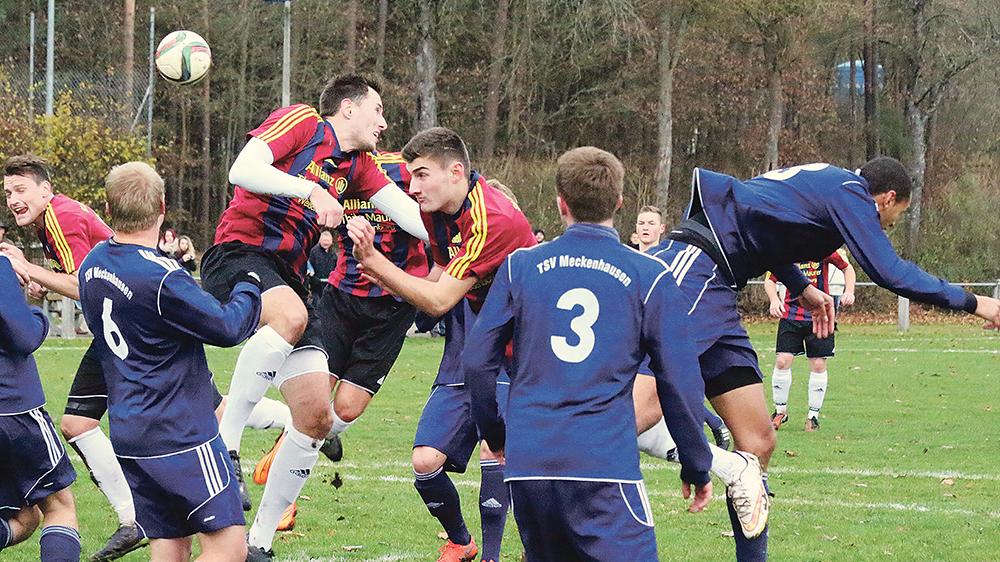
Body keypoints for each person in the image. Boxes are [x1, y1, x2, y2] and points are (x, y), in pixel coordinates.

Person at [634, 157, 1000, 561]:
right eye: (893, 217)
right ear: (887, 198)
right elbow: (889, 271)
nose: (887, 226)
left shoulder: (827, 187)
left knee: (758, 442)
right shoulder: (851, 194)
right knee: (638, 413)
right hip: (693, 269)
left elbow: (763, 224)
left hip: (719, 289)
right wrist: (976, 302)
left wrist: (801, 286)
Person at [202, 74, 427, 561]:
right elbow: (243, 169)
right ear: (347, 108)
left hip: (290, 279)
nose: (384, 122)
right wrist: (310, 190)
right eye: (378, 110)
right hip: (238, 255)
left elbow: (408, 214)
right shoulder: (305, 121)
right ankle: (225, 446)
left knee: (317, 418)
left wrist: (466, 227)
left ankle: (258, 543)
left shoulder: (361, 166)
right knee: (289, 313)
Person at [463, 147, 713, 560]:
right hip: (603, 467)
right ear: (619, 202)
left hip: (530, 467)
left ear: (560, 202)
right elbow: (680, 379)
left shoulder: (518, 267)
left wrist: (494, 432)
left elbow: (476, 362)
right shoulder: (649, 275)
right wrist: (695, 461)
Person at [347, 127, 536, 562]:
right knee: (425, 459)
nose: (411, 188)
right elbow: (436, 279)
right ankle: (461, 541)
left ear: (456, 172)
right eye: (410, 177)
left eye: (420, 175)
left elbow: (439, 298)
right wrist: (380, 276)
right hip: (473, 353)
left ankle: (500, 553)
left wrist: (377, 262)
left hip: (521, 353)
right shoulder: (437, 210)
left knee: (502, 448)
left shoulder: (495, 219)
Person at [78, 162, 261, 562]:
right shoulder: (161, 276)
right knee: (229, 547)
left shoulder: (92, 262)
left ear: (108, 211)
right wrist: (250, 282)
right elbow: (228, 327)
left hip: (129, 429)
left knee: (170, 542)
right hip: (179, 432)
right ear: (162, 206)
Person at [251, 151, 428, 529]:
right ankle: (282, 504)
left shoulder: (403, 174)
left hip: (392, 307)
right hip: (341, 299)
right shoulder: (335, 177)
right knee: (313, 398)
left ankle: (298, 430)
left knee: (344, 410)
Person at [1, 154, 143, 560]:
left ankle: (305, 428)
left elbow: (89, 287)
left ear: (47, 190)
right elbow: (80, 277)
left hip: (134, 326)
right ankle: (134, 518)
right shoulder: (54, 219)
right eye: (8, 192)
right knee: (78, 424)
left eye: (21, 190)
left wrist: (28, 268)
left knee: (199, 418)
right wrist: (40, 281)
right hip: (121, 325)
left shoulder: (59, 216)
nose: (12, 199)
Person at [0, 253, 81, 562]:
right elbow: (24, 336)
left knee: (24, 519)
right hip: (14, 410)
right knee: (58, 506)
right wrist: (38, 316)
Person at [764, 252, 856, 432]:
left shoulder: (823, 248)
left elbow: (847, 268)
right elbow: (769, 278)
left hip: (820, 315)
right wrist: (774, 300)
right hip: (791, 316)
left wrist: (849, 291)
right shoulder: (786, 249)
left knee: (819, 365)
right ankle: (780, 411)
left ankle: (813, 416)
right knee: (782, 361)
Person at [306, 230, 337, 298]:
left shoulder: (334, 254)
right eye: (324, 240)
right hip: (316, 285)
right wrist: (313, 279)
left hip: (329, 285)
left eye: (328, 241)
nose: (326, 243)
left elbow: (336, 268)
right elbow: (308, 266)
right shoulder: (313, 251)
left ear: (331, 242)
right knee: (316, 305)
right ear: (320, 241)